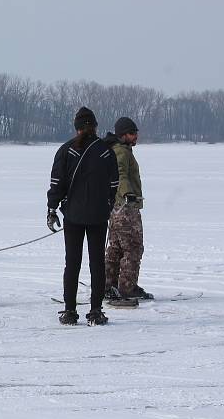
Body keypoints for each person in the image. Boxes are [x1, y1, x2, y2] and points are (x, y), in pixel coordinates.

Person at [47, 107, 119, 326]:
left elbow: (56, 184)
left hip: (73, 216)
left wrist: (52, 209)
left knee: (73, 263)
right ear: (94, 127)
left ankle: (69, 311)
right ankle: (95, 311)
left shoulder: (66, 150)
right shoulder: (106, 151)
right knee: (97, 263)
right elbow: (114, 184)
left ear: (76, 128)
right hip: (98, 216)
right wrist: (107, 205)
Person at [103, 117, 152, 301]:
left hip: (116, 208)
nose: (136, 136)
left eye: (136, 133)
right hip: (125, 208)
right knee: (133, 247)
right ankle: (127, 288)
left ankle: (108, 286)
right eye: (133, 133)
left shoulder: (119, 150)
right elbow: (120, 174)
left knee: (115, 248)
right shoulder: (121, 152)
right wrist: (127, 194)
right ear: (123, 135)